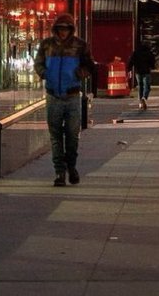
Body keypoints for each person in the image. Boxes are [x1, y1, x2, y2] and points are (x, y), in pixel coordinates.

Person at [34, 12, 95, 187]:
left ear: (70, 30)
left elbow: (90, 65)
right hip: (53, 95)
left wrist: (78, 74)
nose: (63, 32)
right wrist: (47, 74)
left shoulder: (79, 46)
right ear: (56, 29)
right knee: (56, 137)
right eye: (60, 29)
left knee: (72, 136)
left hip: (72, 95)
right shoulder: (47, 45)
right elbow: (38, 63)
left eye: (66, 29)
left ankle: (71, 167)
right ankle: (60, 172)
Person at [127, 41, 155, 110]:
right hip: (146, 72)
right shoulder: (149, 52)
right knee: (147, 87)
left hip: (138, 72)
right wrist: (152, 67)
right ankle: (144, 98)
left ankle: (140, 102)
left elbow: (131, 61)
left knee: (140, 87)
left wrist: (129, 70)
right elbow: (152, 62)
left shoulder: (136, 52)